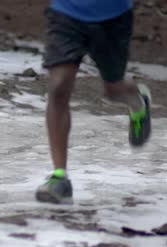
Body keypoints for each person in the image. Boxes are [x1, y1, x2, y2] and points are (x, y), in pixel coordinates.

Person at [35, 0, 152, 204]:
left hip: (113, 17)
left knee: (114, 90)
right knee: (59, 86)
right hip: (66, 12)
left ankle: (137, 103)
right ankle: (60, 177)